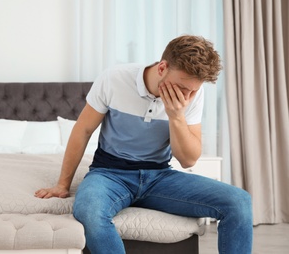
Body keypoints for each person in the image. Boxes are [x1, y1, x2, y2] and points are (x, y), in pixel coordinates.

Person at [35, 35, 253, 254]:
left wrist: (176, 116)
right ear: (162, 68)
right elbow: (83, 130)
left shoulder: (193, 94)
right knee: (89, 212)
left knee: (239, 202)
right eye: (181, 87)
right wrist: (63, 184)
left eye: (193, 90)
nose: (187, 95)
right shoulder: (114, 78)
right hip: (109, 174)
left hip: (159, 177)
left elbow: (188, 160)